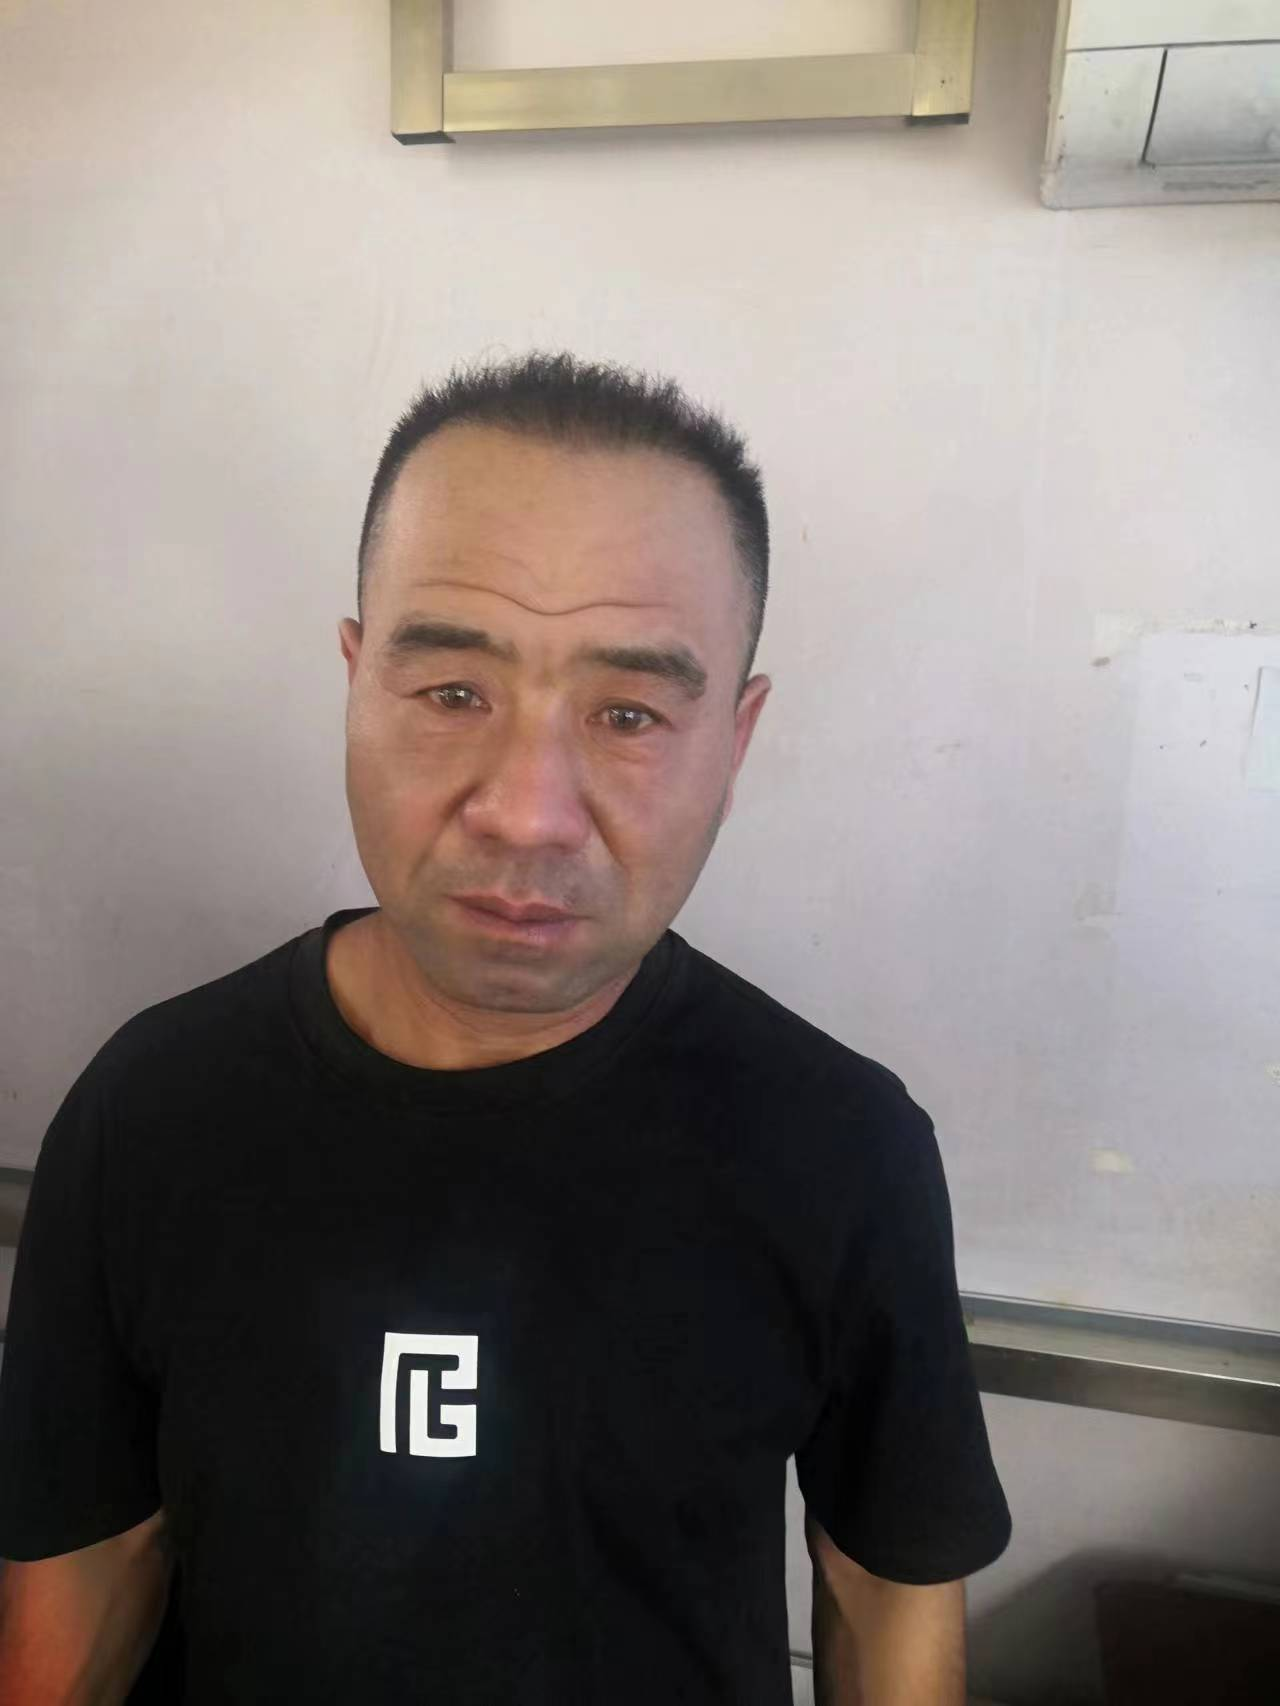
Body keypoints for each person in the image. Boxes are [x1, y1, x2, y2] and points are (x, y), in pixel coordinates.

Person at [0, 350, 1011, 1705]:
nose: (527, 811)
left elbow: (884, 1591)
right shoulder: (148, 1111)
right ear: (357, 678)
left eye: (629, 713)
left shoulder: (842, 1146)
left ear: (736, 736)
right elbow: (92, 1565)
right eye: (454, 693)